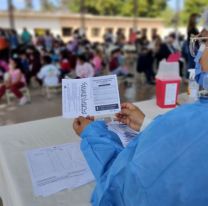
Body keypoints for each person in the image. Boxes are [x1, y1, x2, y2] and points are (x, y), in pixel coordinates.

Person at [72, 30, 208, 206]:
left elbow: (123, 186)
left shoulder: (194, 121)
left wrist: (91, 134)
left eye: (204, 42)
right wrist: (148, 126)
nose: (199, 52)